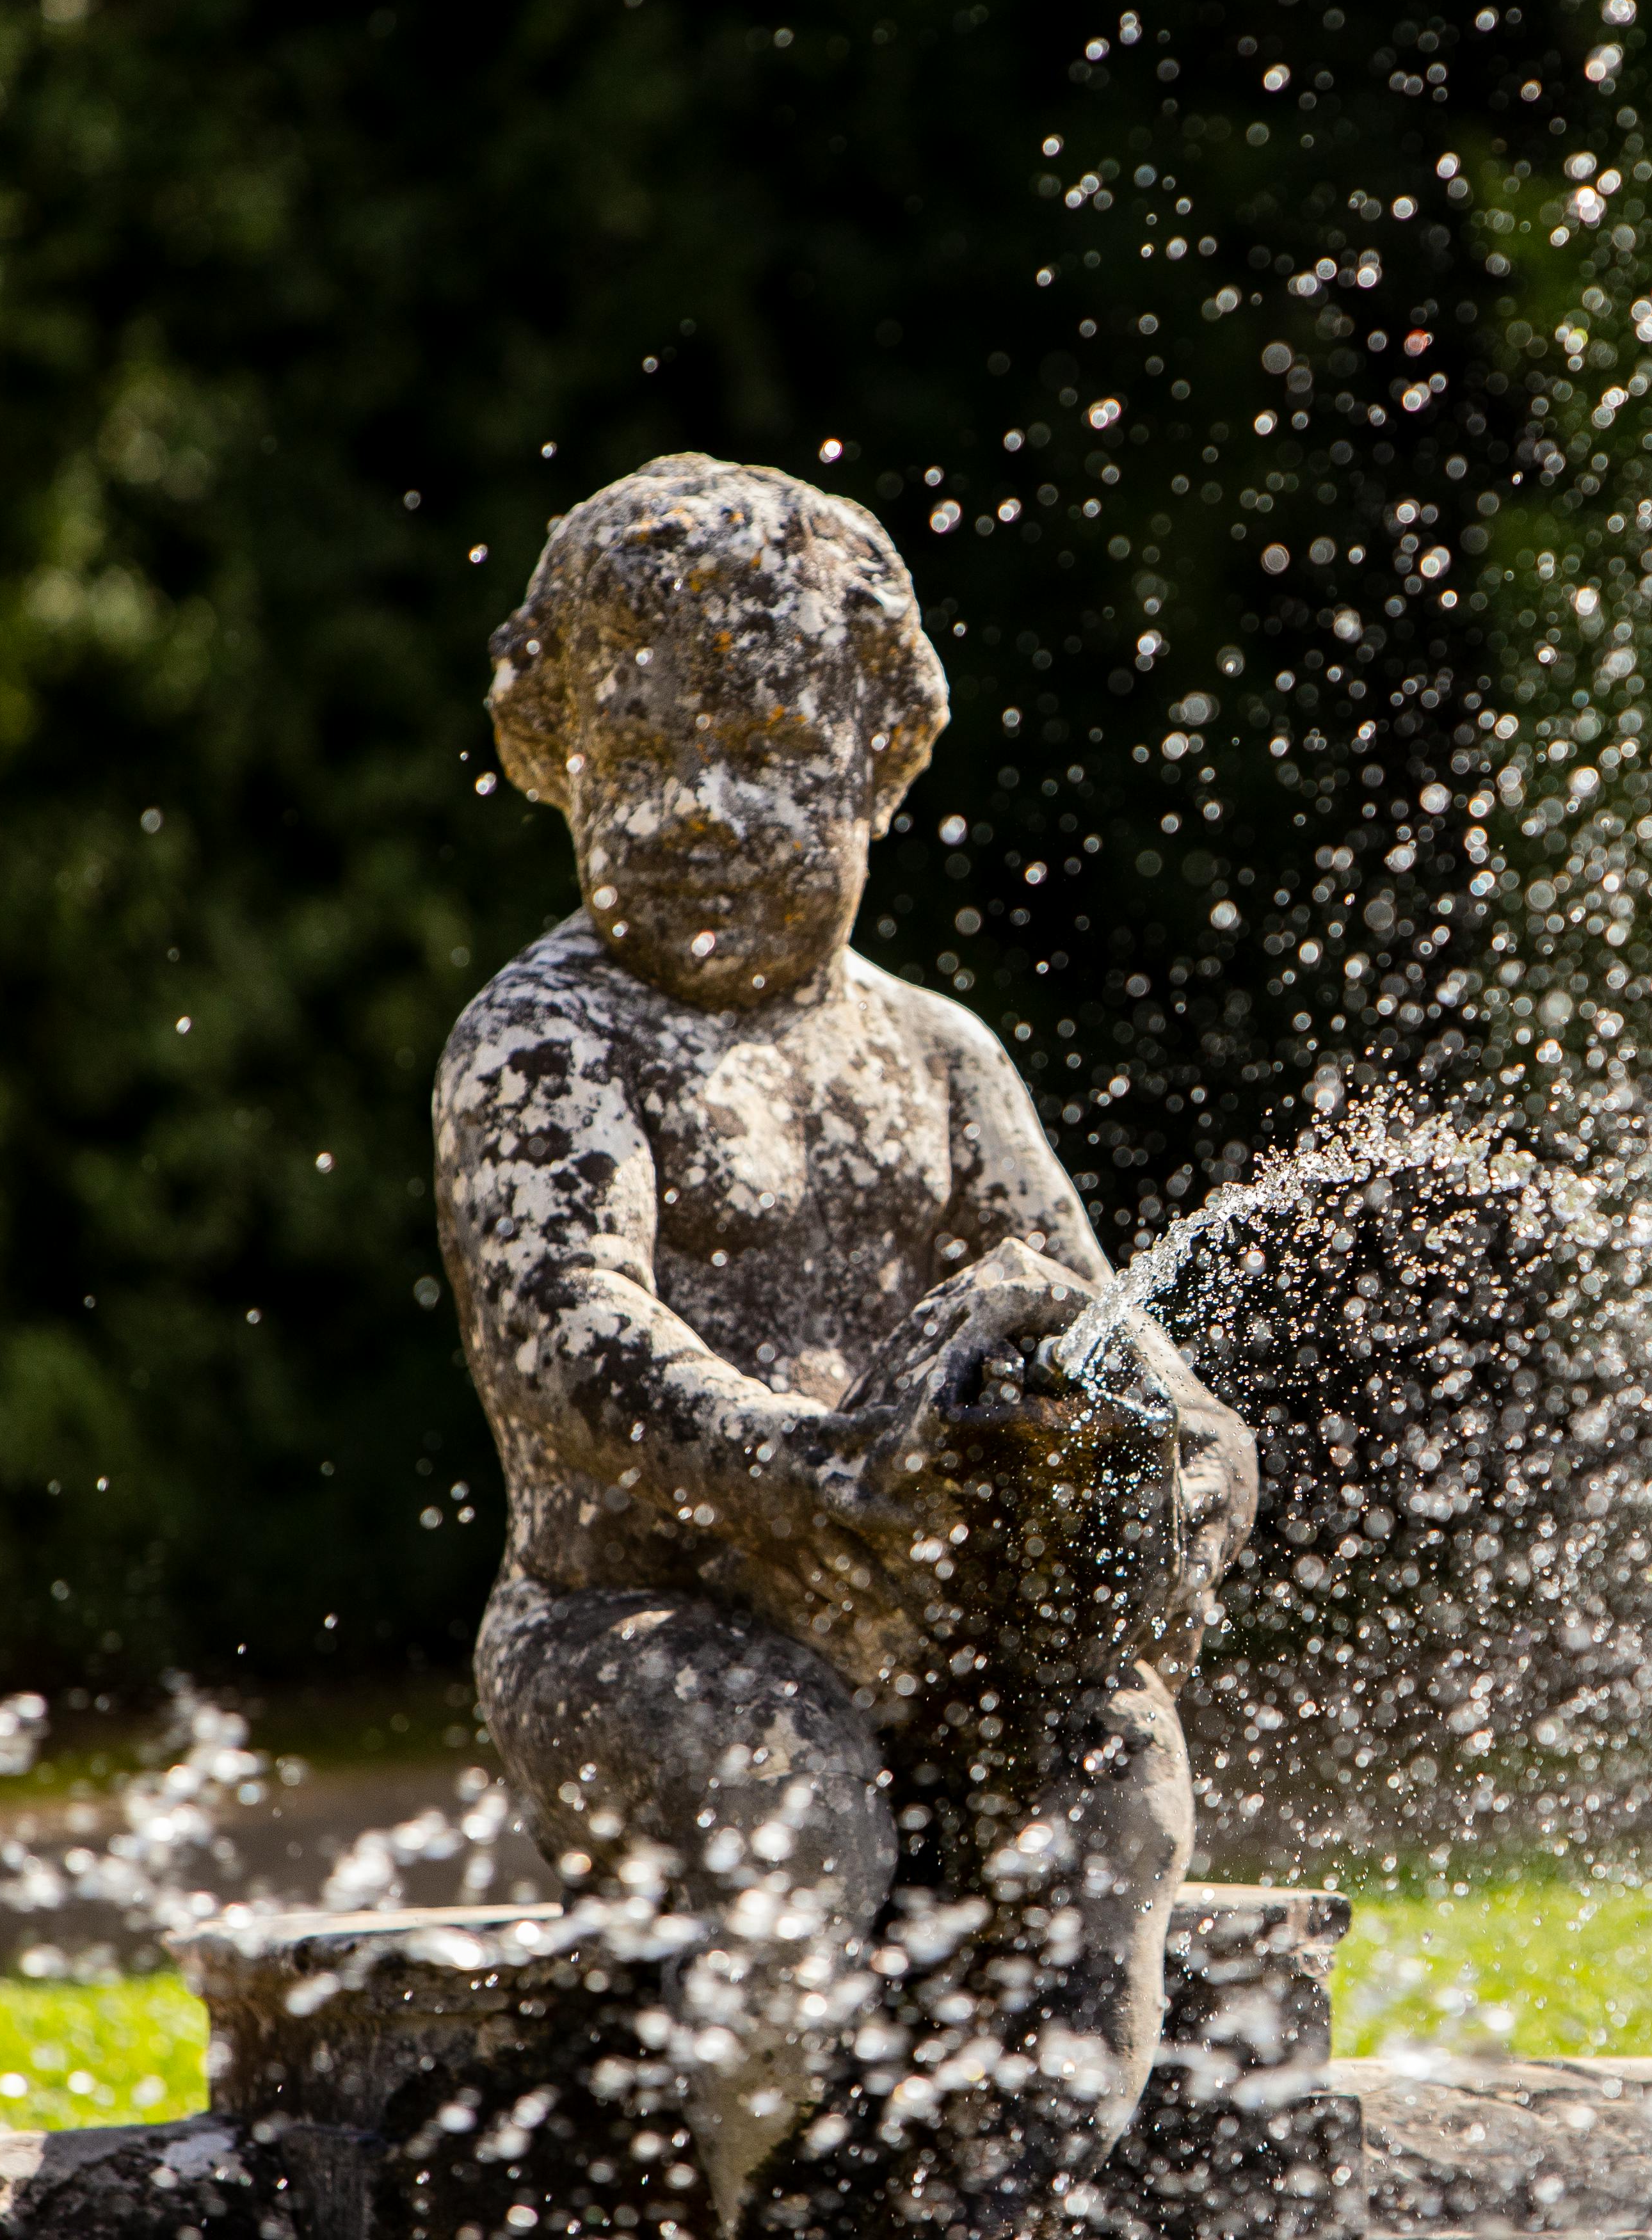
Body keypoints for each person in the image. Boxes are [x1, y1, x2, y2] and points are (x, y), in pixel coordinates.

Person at [431, 454, 1256, 2238]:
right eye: (646, 760)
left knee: (1114, 1775)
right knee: (794, 1810)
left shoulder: (940, 1057)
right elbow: (566, 1328)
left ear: (888, 752)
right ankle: (753, 2195)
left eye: (770, 754)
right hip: (636, 1632)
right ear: (552, 757)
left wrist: (1188, 1464)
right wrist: (790, 1465)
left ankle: (1028, 2177)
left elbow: (1094, 1321)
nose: (707, 813)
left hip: (939, 1635)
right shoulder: (552, 1039)